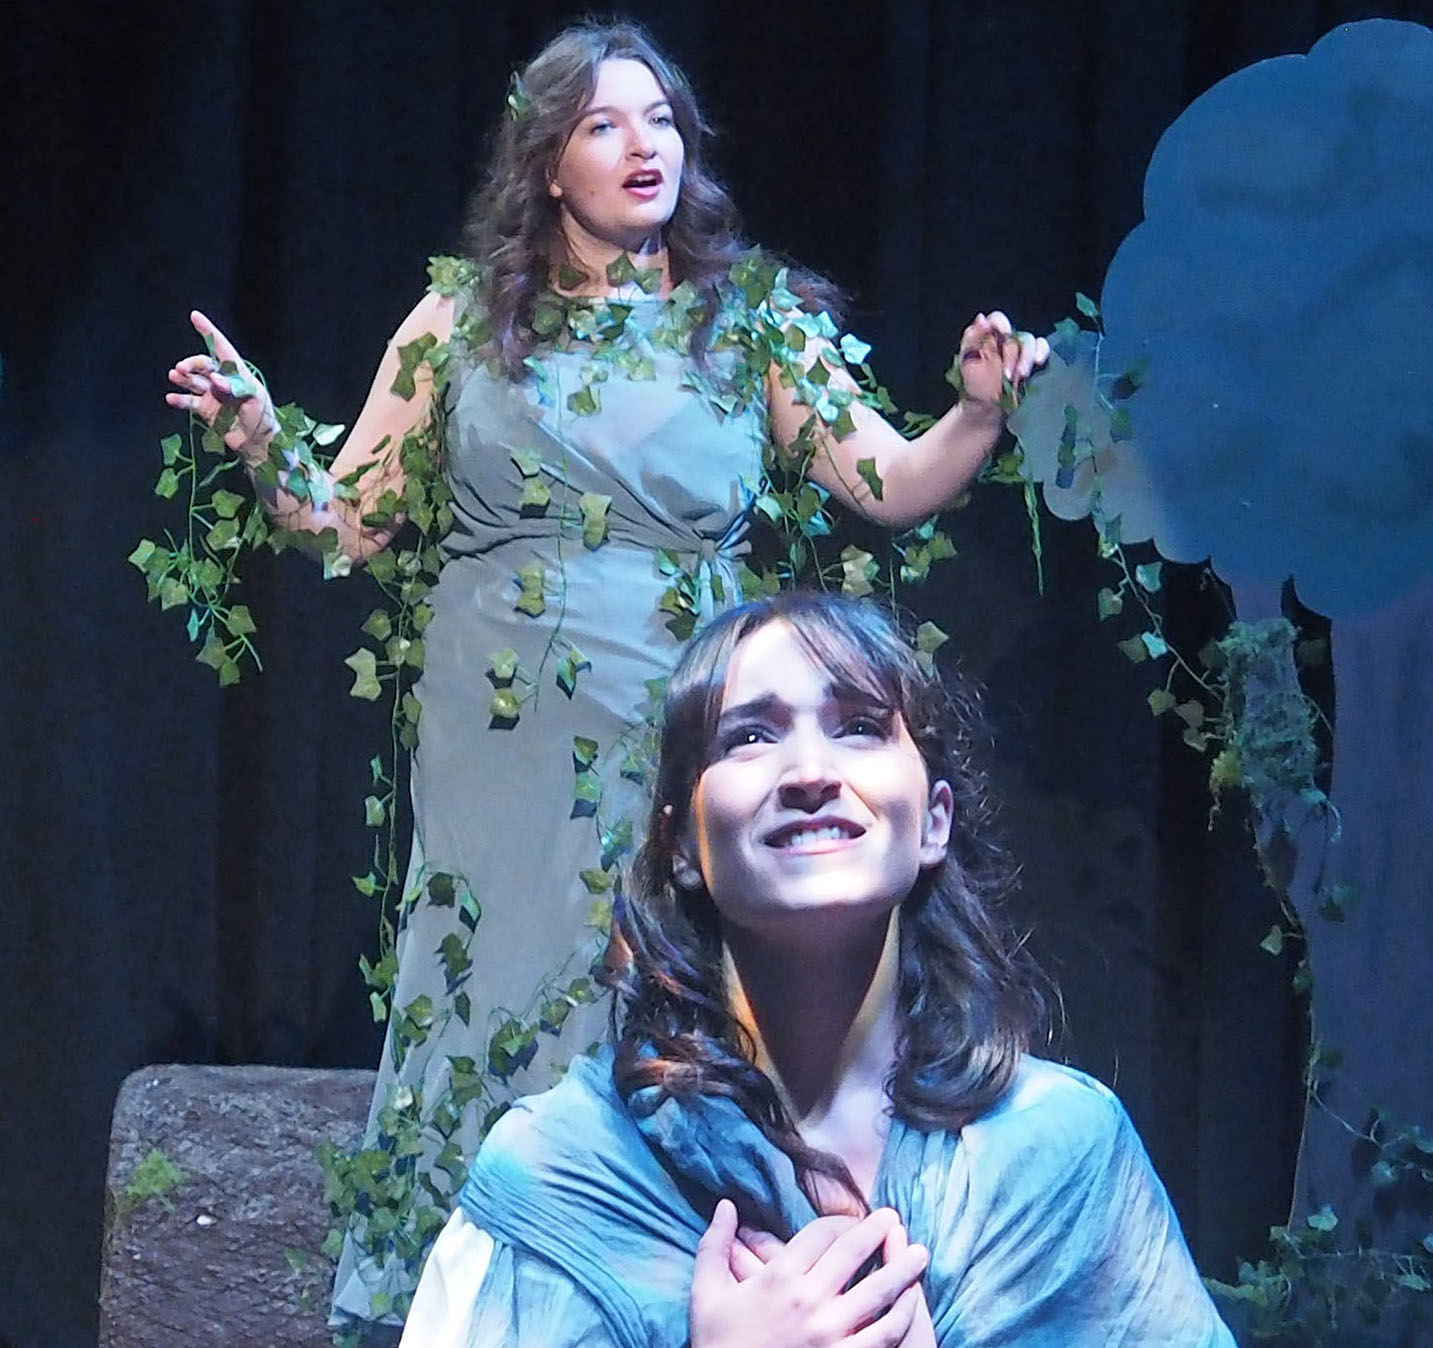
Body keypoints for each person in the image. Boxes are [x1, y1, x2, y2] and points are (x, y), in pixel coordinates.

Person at [162, 21, 1049, 1324]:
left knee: (670, 970)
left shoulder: (747, 325)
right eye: (603, 125)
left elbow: (886, 482)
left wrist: (974, 413)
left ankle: (686, 1290)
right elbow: (345, 519)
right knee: (506, 972)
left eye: (664, 124)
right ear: (547, 165)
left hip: (691, 716)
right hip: (499, 718)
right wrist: (259, 442)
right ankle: (477, 1297)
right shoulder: (459, 319)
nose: (644, 148)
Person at [401, 590, 1237, 1346]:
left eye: (859, 726)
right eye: (751, 736)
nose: (809, 773)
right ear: (682, 846)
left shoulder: (1061, 1158)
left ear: (933, 821)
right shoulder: (560, 1176)